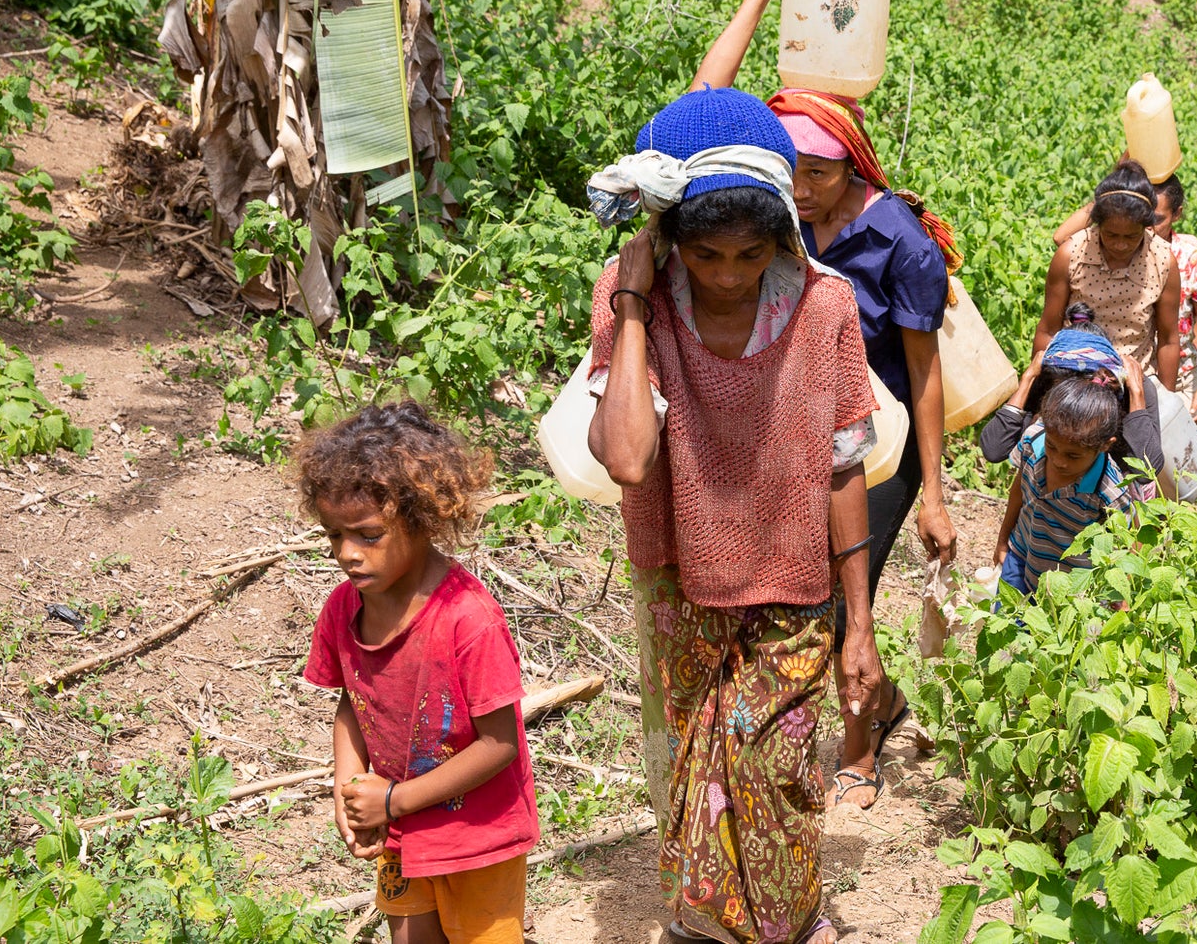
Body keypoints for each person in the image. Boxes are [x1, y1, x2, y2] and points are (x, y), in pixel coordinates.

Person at [584, 87, 880, 944]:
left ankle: (791, 924)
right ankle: (704, 924)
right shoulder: (633, 297)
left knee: (775, 768)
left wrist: (859, 622)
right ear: (670, 241)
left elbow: (843, 467)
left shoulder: (824, 307)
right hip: (681, 580)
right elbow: (630, 457)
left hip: (793, 583)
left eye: (752, 253)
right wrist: (634, 305)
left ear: (782, 237)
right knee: (690, 766)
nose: (727, 273)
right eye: (706, 253)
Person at [682, 0, 960, 811]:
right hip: (786, 431)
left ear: (855, 167)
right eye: (789, 168)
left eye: (819, 172)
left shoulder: (902, 241)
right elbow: (698, 108)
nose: (799, 186)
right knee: (795, 592)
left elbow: (923, 373)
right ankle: (859, 710)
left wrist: (940, 491)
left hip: (875, 445)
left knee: (849, 593)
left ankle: (859, 745)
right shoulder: (767, 216)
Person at [300, 402, 538, 944]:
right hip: (401, 831)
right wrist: (350, 789)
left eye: (367, 535)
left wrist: (394, 800)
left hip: (476, 835)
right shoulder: (344, 608)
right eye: (334, 536)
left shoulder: (467, 618)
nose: (347, 554)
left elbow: (500, 744)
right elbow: (351, 704)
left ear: (420, 517)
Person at [1054, 175, 1197, 437]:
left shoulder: (1183, 258)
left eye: (1156, 219)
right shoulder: (1095, 251)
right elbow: (1063, 237)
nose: (1149, 228)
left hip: (1176, 370)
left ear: (1176, 215)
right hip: (1121, 368)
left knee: (1176, 455)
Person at [992, 376, 1149, 596]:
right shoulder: (1032, 441)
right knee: (1005, 624)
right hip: (1020, 557)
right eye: (1052, 446)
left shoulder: (1108, 491)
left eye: (1073, 456)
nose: (1059, 461)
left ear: (1105, 445)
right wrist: (1002, 542)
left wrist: (1124, 596)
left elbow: (1132, 541)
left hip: (1068, 590)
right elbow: (1017, 491)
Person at [1035, 159, 1181, 389]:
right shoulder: (1071, 255)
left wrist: (1165, 403)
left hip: (1134, 382)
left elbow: (1169, 341)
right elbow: (1047, 330)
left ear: (1146, 227)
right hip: (1074, 378)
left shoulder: (1163, 262)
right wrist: (1041, 388)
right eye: (1111, 235)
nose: (1121, 245)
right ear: (1097, 224)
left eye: (1131, 237)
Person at [980, 318, 1169, 493]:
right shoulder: (1045, 380)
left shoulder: (1130, 389)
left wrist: (1136, 394)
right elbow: (994, 449)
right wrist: (1028, 379)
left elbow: (1147, 471)